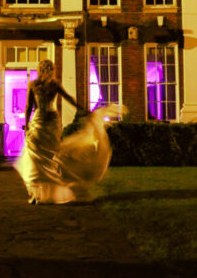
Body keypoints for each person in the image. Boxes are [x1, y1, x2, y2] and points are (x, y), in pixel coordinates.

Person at [14, 59, 121, 204]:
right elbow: (69, 99)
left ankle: (37, 194)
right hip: (50, 121)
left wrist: (26, 125)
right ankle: (41, 193)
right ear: (50, 70)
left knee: (37, 158)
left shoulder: (34, 84)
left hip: (42, 121)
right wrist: (82, 108)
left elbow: (28, 106)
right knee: (48, 158)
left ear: (39, 70)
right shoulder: (51, 84)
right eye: (51, 69)